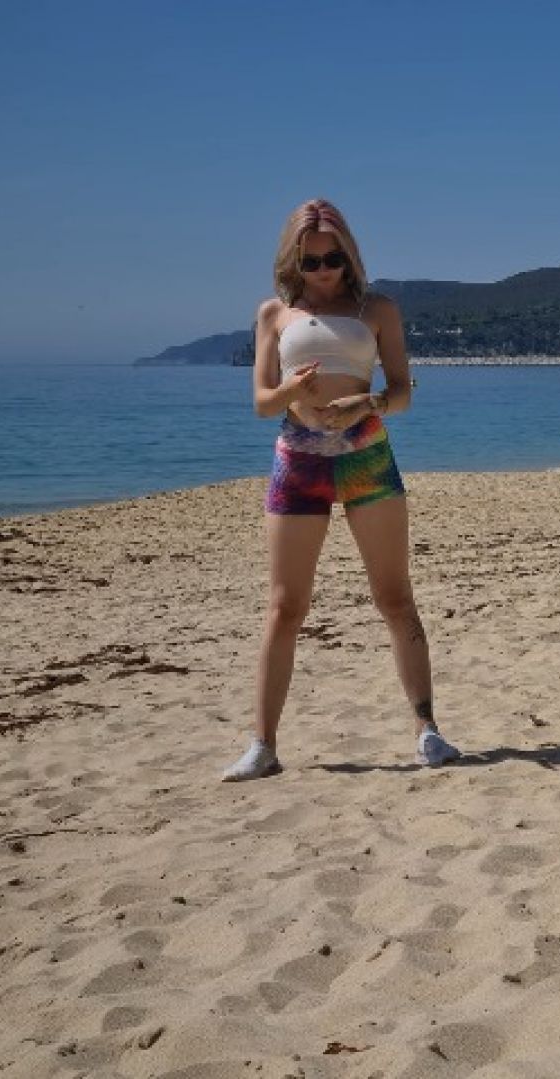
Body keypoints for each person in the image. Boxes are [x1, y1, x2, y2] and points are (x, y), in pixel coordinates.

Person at [225, 198, 460, 781]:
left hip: (366, 457)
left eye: (333, 258)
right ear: (293, 262)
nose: (324, 270)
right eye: (311, 262)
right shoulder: (272, 314)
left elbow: (403, 390)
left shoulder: (376, 308)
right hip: (298, 459)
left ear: (349, 255)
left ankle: (427, 731)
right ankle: (263, 746)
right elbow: (259, 402)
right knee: (285, 607)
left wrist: (368, 400)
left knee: (394, 597)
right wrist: (292, 394)